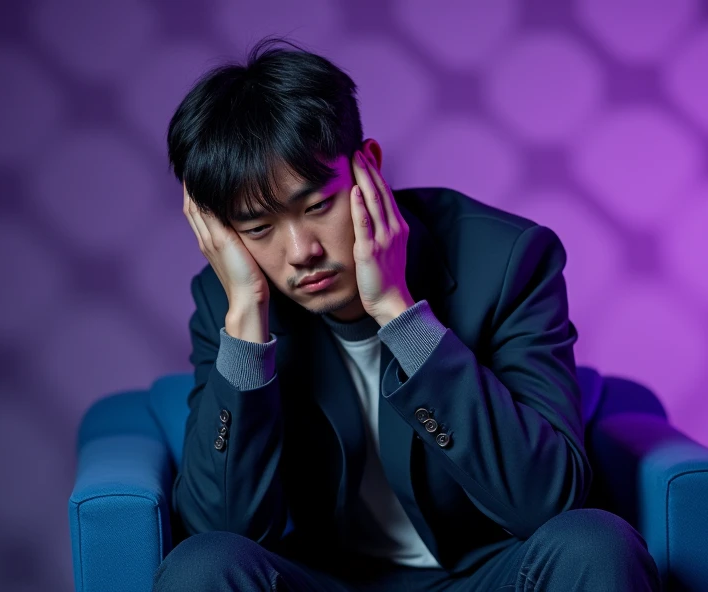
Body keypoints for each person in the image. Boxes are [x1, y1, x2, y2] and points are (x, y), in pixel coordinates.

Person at [155, 37, 660, 592]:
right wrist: (247, 328)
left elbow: (547, 499)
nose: (301, 251)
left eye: (318, 206)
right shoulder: (230, 302)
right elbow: (222, 528)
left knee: (596, 546)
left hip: (485, 576)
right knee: (200, 568)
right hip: (323, 582)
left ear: (367, 166)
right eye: (258, 229)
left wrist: (400, 316)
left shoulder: (507, 261)